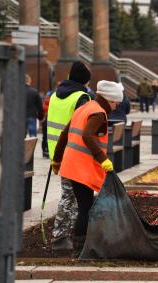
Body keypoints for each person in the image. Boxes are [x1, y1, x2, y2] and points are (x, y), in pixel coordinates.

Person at [51, 80, 124, 254]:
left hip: (71, 165)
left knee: (85, 205)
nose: (116, 107)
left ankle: (82, 244)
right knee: (85, 206)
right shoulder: (98, 113)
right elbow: (87, 136)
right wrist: (103, 159)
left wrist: (57, 159)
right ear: (109, 99)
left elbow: (64, 134)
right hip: (81, 168)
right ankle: (80, 248)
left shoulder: (84, 108)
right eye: (116, 103)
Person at [47, 61, 92, 251]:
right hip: (73, 152)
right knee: (70, 195)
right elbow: (83, 126)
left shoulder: (56, 95)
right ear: (85, 81)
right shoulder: (82, 97)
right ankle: (59, 238)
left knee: (72, 194)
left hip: (56, 150)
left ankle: (72, 235)